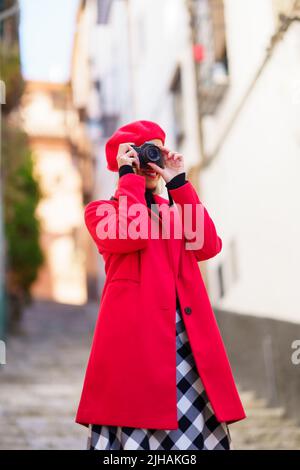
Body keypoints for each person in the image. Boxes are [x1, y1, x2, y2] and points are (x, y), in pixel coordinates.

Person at [75, 120, 246, 450]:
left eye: (155, 151)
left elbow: (208, 245)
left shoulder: (176, 211)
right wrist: (129, 178)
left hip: (186, 348)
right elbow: (131, 233)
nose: (149, 163)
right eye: (140, 154)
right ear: (122, 161)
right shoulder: (101, 212)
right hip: (135, 353)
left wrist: (178, 181)